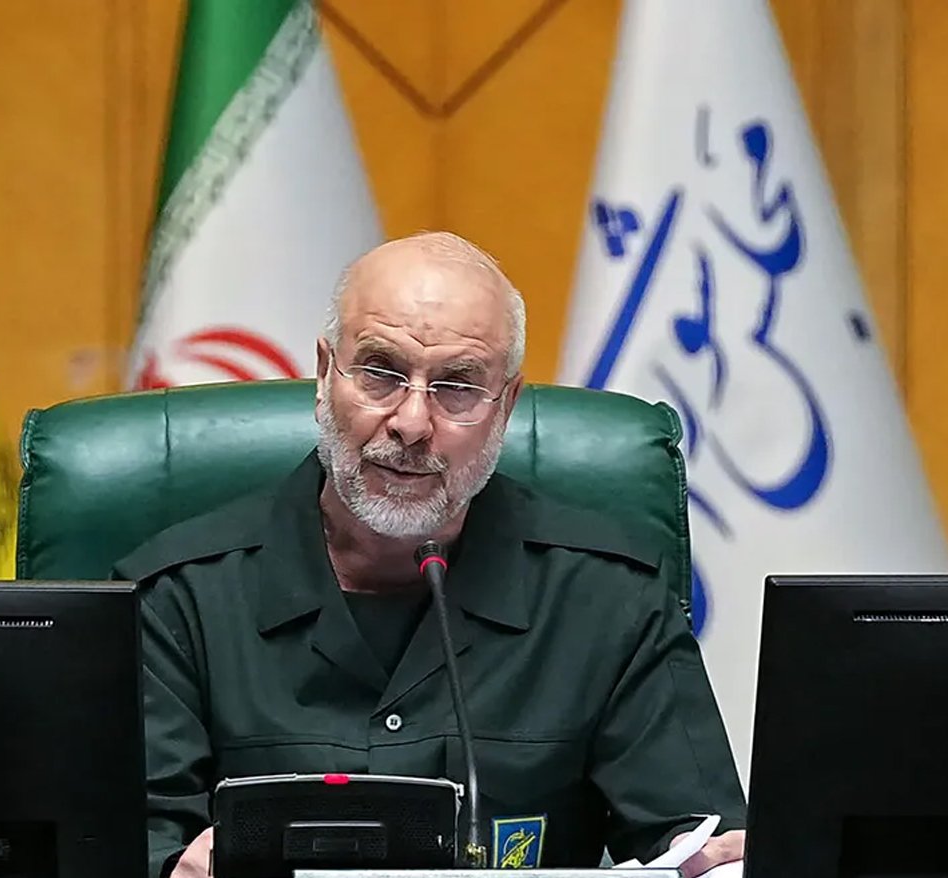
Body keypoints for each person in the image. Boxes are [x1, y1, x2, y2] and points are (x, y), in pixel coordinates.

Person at [116, 231, 747, 878]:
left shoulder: (609, 596)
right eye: (380, 372)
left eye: (458, 386)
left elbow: (698, 840)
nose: (412, 424)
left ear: (505, 407)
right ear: (325, 374)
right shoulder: (174, 598)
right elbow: (121, 844)